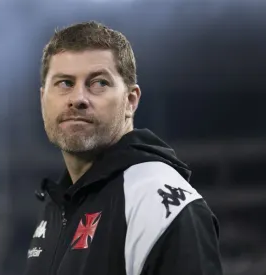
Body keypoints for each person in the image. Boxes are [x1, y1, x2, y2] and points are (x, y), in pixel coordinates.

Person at [24, 21, 223, 275]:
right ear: (43, 99)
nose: (78, 99)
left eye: (99, 83)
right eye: (64, 83)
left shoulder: (156, 204)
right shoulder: (57, 208)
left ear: (130, 101)